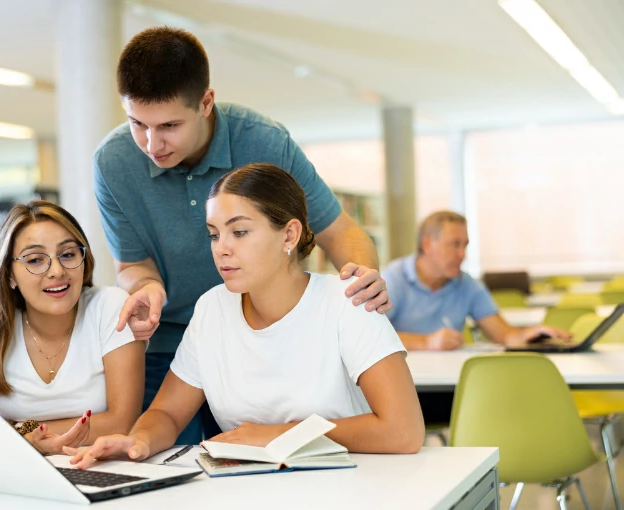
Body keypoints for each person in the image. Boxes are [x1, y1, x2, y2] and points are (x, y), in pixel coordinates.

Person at [95, 26, 392, 443]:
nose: (151, 143)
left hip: (269, 334)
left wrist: (361, 284)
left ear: (206, 102)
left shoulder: (265, 141)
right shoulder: (112, 161)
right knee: (169, 461)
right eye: (137, 124)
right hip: (173, 341)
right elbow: (131, 263)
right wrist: (146, 286)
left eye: (169, 125)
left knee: (264, 444)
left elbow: (338, 229)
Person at [65, 164, 424, 468]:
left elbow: (403, 431)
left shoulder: (349, 300)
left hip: (356, 487)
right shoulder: (212, 308)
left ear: (290, 234)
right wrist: (137, 442)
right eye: (213, 234)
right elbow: (168, 414)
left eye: (239, 232)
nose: (221, 249)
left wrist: (276, 436)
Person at [0, 201, 145, 454]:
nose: (57, 271)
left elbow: (122, 422)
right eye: (35, 260)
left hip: (98, 462)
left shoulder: (111, 307)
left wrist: (22, 432)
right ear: (9, 274)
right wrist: (28, 439)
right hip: (12, 465)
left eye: (68, 255)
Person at [382, 210, 570, 424]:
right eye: (454, 244)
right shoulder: (392, 280)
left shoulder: (466, 284)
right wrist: (426, 342)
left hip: (449, 387)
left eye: (465, 245)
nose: (462, 254)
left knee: (501, 404)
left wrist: (532, 332)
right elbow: (369, 337)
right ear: (427, 245)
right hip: (397, 391)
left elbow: (503, 334)